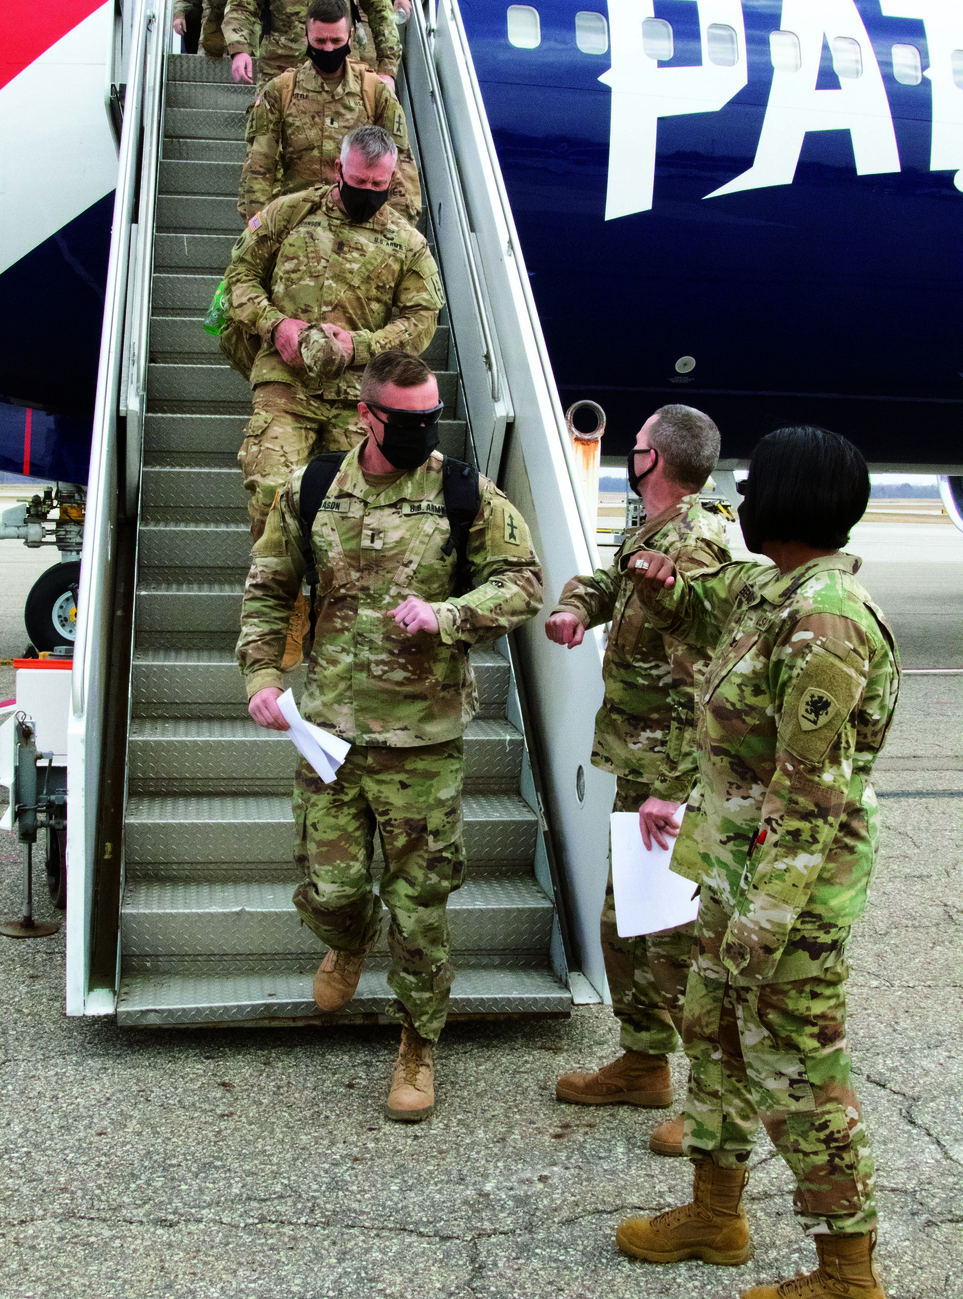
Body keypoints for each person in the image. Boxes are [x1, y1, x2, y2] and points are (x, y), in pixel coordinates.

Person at [616, 426, 900, 1299]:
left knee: (803, 1079)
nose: (738, 501)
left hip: (785, 904)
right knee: (718, 1046)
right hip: (735, 875)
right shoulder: (778, 588)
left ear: (788, 501)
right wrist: (662, 590)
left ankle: (847, 1271)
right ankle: (715, 1215)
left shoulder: (823, 624)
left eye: (753, 485)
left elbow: (811, 798)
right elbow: (707, 607)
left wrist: (759, 933)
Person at [236, 350, 544, 1121]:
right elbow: (269, 586)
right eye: (405, 420)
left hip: (423, 743)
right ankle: (347, 938)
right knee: (330, 890)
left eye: (429, 417)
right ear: (366, 417)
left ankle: (417, 1045)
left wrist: (450, 615)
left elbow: (524, 583)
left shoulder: (465, 490)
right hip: (330, 737)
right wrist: (262, 677)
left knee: (422, 908)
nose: (421, 432)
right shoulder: (312, 488)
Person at [545, 404, 730, 1156]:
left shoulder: (695, 547)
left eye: (637, 444)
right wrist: (574, 609)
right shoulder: (654, 532)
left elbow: (711, 677)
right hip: (643, 766)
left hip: (671, 780)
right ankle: (645, 1063)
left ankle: (709, 1100)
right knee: (629, 929)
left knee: (676, 938)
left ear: (656, 460)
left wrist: (678, 787)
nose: (631, 453)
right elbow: (613, 585)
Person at [223, 122, 443, 543]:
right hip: (286, 381)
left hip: (358, 396)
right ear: (337, 167)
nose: (368, 191)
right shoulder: (289, 212)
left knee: (356, 511)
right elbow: (240, 276)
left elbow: (421, 319)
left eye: (379, 183)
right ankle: (281, 601)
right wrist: (277, 325)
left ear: (391, 179)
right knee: (272, 492)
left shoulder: (407, 242)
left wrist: (361, 346)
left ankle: (332, 603)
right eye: (359, 180)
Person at [237, 0, 420, 225]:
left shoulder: (375, 92)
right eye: (320, 42)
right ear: (306, 37)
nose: (328, 48)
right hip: (298, 225)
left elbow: (400, 166)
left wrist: (397, 234)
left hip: (358, 229)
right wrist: (261, 230)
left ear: (350, 38)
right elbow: (259, 168)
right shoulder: (280, 91)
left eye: (336, 41)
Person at [224, 0, 401, 90]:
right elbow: (243, 2)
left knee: (340, 138)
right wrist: (239, 48)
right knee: (269, 135)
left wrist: (387, 69)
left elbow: (380, 10)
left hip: (338, 67)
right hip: (280, 66)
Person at [172, 0, 237, 58]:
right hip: (214, 11)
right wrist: (179, 11)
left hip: (247, 11)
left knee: (248, 62)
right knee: (210, 55)